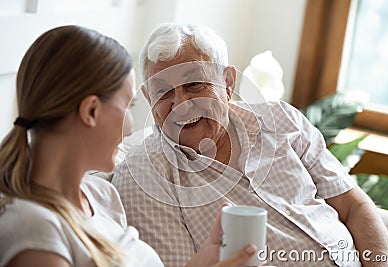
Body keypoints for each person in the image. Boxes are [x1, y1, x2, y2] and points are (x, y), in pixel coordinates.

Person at [111, 23, 388, 267]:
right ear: (149, 100)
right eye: (163, 92)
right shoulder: (144, 177)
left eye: (195, 84)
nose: (181, 105)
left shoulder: (282, 120)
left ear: (227, 83)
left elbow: (353, 206)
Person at [0, 25, 260, 267]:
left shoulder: (100, 195)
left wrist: (207, 258)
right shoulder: (34, 229)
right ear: (90, 111)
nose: (130, 128)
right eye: (128, 106)